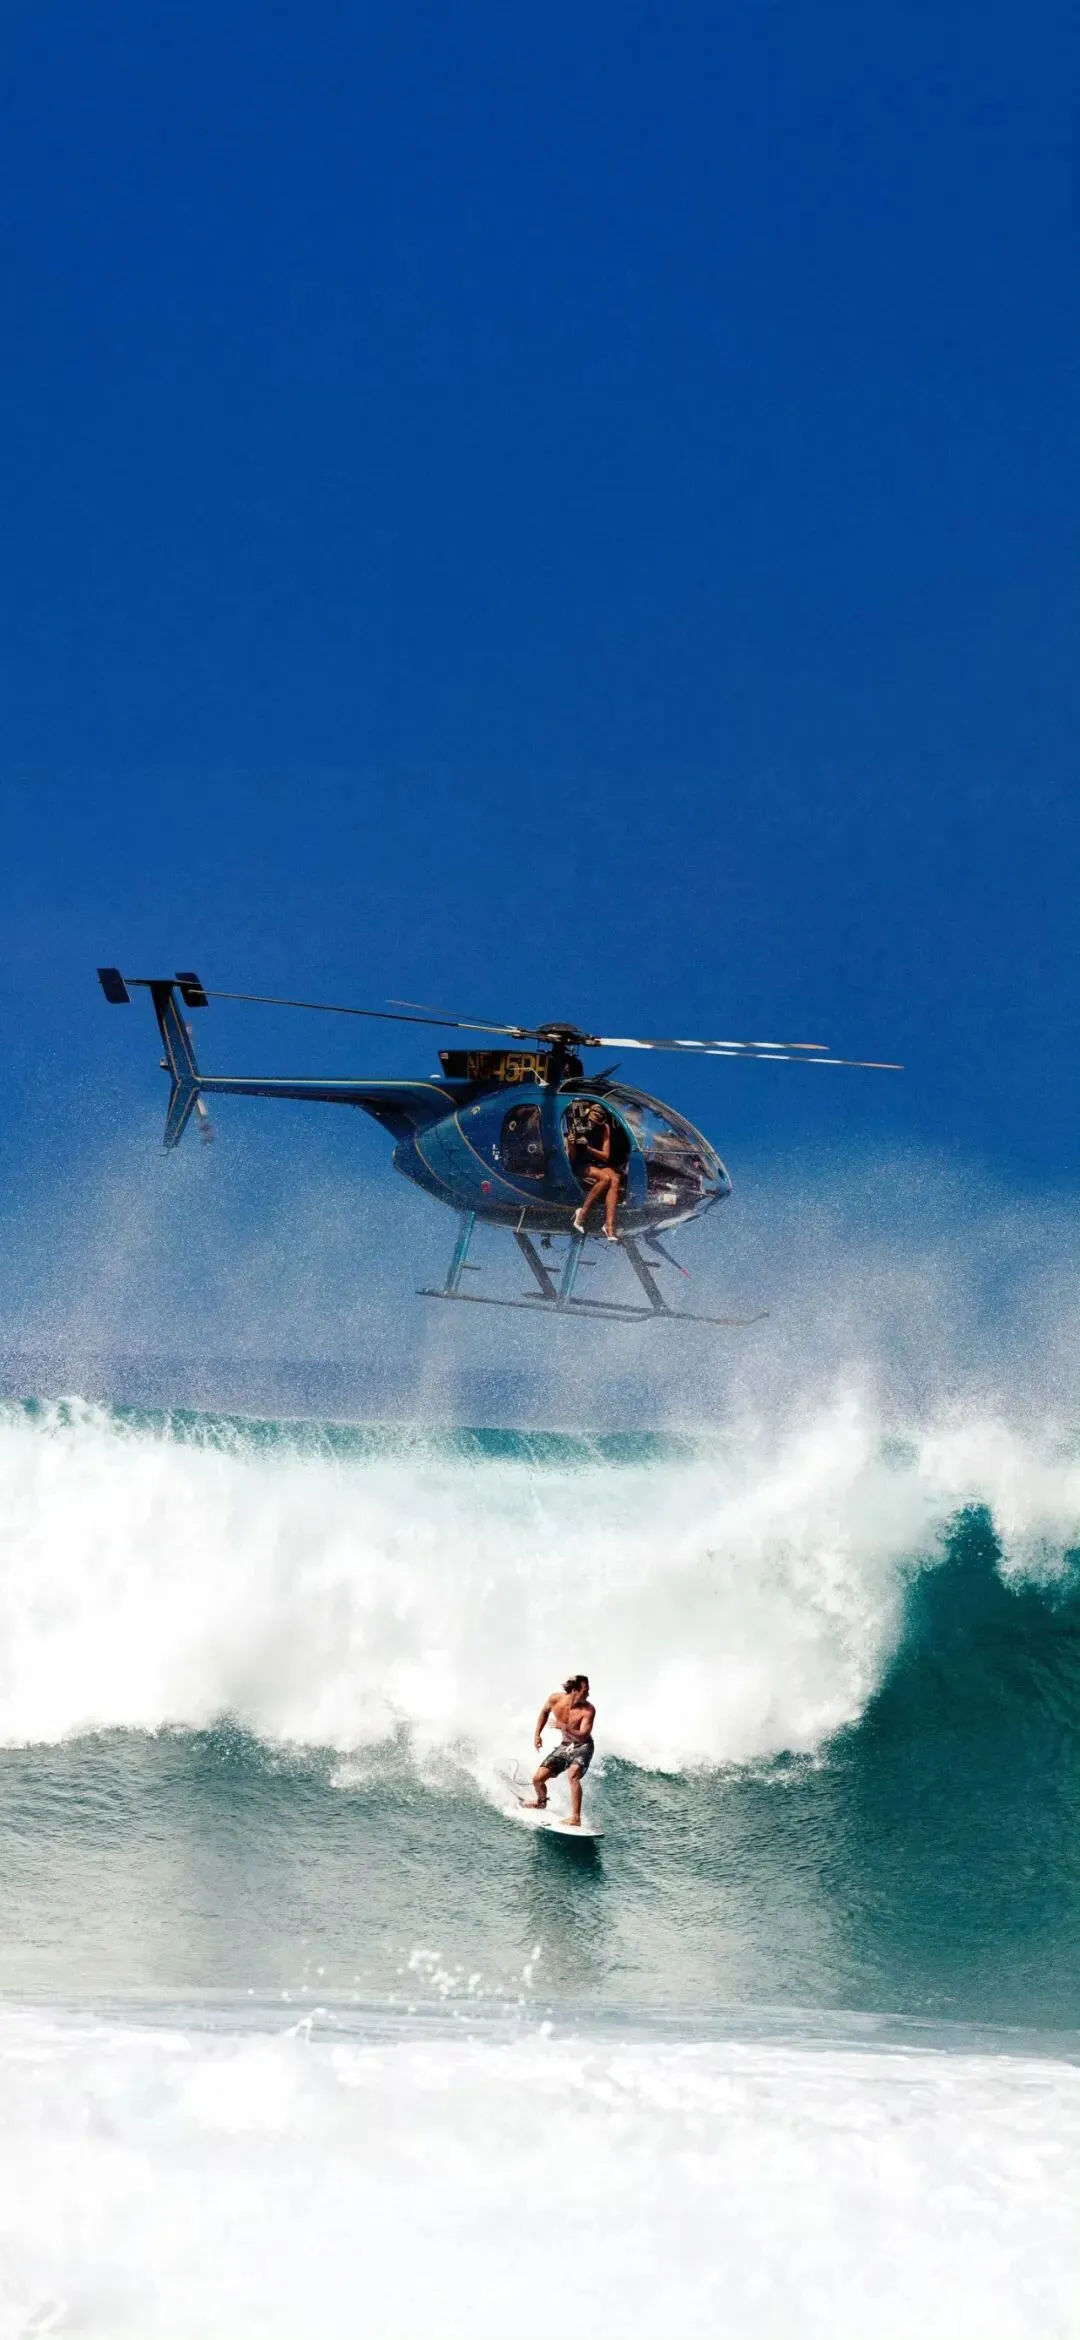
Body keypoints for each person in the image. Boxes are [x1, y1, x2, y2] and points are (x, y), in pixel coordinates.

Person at [524, 1674, 596, 1827]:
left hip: (583, 1746)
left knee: (573, 1776)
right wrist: (537, 1735)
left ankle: (575, 1818)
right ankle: (541, 1802)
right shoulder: (555, 1699)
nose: (588, 1694)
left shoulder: (588, 1710)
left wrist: (564, 1726)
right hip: (565, 1746)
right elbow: (544, 1712)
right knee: (537, 1779)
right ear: (574, 1690)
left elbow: (583, 1735)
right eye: (585, 1691)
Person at [570, 1104, 622, 1241]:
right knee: (605, 1178)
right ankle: (582, 1214)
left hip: (597, 1162)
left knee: (615, 1179)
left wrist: (589, 1148)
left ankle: (609, 1225)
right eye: (592, 1119)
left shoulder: (605, 1128)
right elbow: (572, 1157)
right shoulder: (577, 1126)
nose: (593, 1124)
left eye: (597, 1120)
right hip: (582, 1163)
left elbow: (605, 1156)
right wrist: (571, 1144)